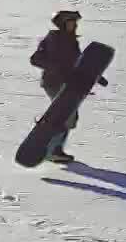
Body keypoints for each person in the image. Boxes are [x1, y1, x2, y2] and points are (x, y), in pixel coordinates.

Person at [29, 10, 106, 163]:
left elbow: (79, 63)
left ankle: (54, 145)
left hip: (67, 83)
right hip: (54, 82)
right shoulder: (53, 39)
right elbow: (36, 59)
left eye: (74, 22)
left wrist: (96, 76)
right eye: (71, 22)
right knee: (65, 115)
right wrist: (55, 67)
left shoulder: (71, 41)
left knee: (68, 116)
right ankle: (52, 149)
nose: (74, 25)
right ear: (62, 23)